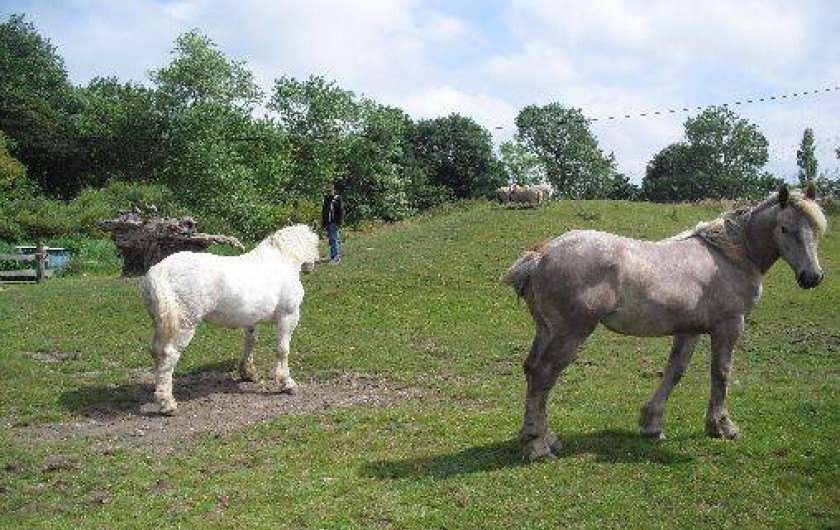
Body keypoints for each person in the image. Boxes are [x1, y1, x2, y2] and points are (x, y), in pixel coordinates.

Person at [321, 184, 345, 263]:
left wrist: (340, 222)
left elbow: (341, 211)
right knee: (331, 240)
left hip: (335, 222)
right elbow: (324, 212)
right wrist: (323, 224)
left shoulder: (337, 198)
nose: (328, 192)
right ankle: (332, 256)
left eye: (330, 191)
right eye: (327, 191)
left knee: (334, 239)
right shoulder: (326, 199)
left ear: (333, 190)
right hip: (328, 222)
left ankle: (336, 257)